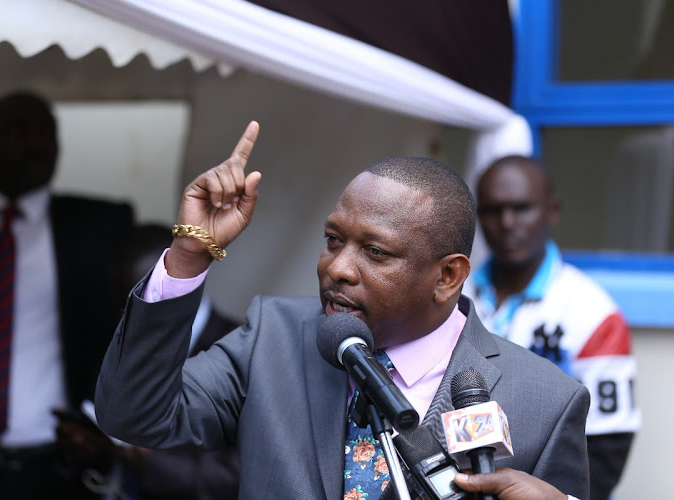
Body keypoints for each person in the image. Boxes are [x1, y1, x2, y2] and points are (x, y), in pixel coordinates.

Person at [94, 122, 591, 499]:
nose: (338, 268)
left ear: (447, 277)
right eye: (333, 240)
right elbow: (134, 416)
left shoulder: (546, 402)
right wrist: (189, 254)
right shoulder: (272, 338)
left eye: (375, 252)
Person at [462, 155, 641, 500]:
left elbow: (608, 445)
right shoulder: (454, 291)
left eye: (522, 208)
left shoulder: (592, 312)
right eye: (493, 210)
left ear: (552, 211)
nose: (508, 222)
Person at [0, 91, 134, 498]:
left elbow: (131, 326)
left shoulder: (99, 226)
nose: (33, 145)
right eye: (16, 133)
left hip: (59, 462)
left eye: (44, 133)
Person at [56, 224, 243, 499]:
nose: (133, 314)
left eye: (150, 299)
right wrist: (92, 450)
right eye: (125, 299)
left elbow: (237, 474)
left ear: (187, 283)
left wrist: (144, 459)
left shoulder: (238, 352)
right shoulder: (113, 336)